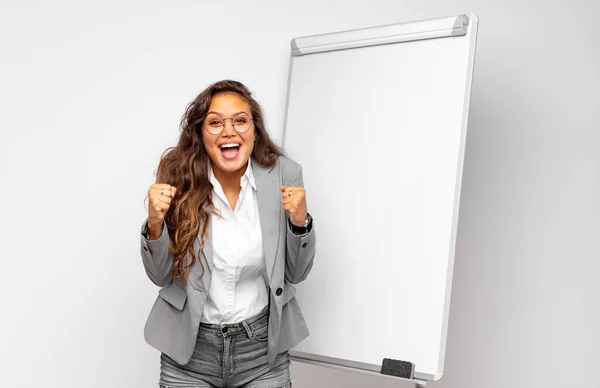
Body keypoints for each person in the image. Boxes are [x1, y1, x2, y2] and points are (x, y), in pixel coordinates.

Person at [140, 79, 316, 388]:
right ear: (200, 133)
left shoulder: (285, 175)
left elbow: (296, 273)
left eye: (240, 121)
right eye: (215, 123)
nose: (229, 131)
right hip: (190, 354)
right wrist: (155, 223)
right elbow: (160, 275)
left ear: (255, 130)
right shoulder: (178, 177)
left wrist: (300, 223)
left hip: (262, 352)